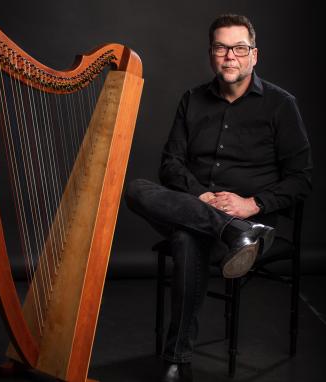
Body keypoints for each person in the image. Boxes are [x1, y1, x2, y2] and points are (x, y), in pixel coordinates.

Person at [125, 13, 312, 382]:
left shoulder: (280, 104)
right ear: (211, 54)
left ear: (254, 55)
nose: (230, 56)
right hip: (206, 212)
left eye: (239, 48)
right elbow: (171, 165)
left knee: (185, 236)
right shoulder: (191, 100)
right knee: (135, 189)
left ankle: (178, 357)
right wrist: (203, 197)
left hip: (252, 217)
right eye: (221, 48)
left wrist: (251, 205)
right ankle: (232, 231)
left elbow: (301, 180)